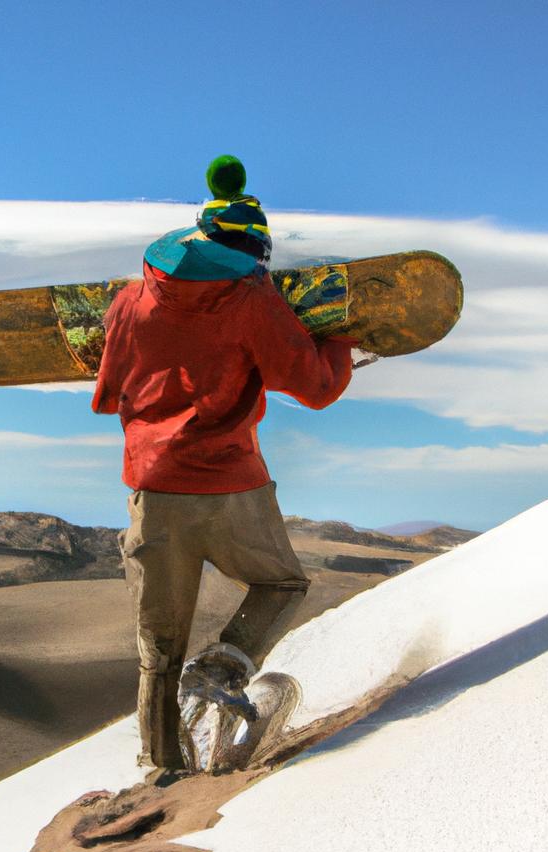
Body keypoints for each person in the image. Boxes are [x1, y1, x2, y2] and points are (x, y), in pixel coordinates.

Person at [92, 155, 359, 768]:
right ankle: (223, 666)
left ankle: (161, 770)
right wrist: (338, 339)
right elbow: (316, 388)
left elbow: (108, 393)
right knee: (281, 583)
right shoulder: (251, 300)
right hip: (231, 484)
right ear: (256, 249)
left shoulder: (130, 301)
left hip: (152, 489)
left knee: (158, 651)